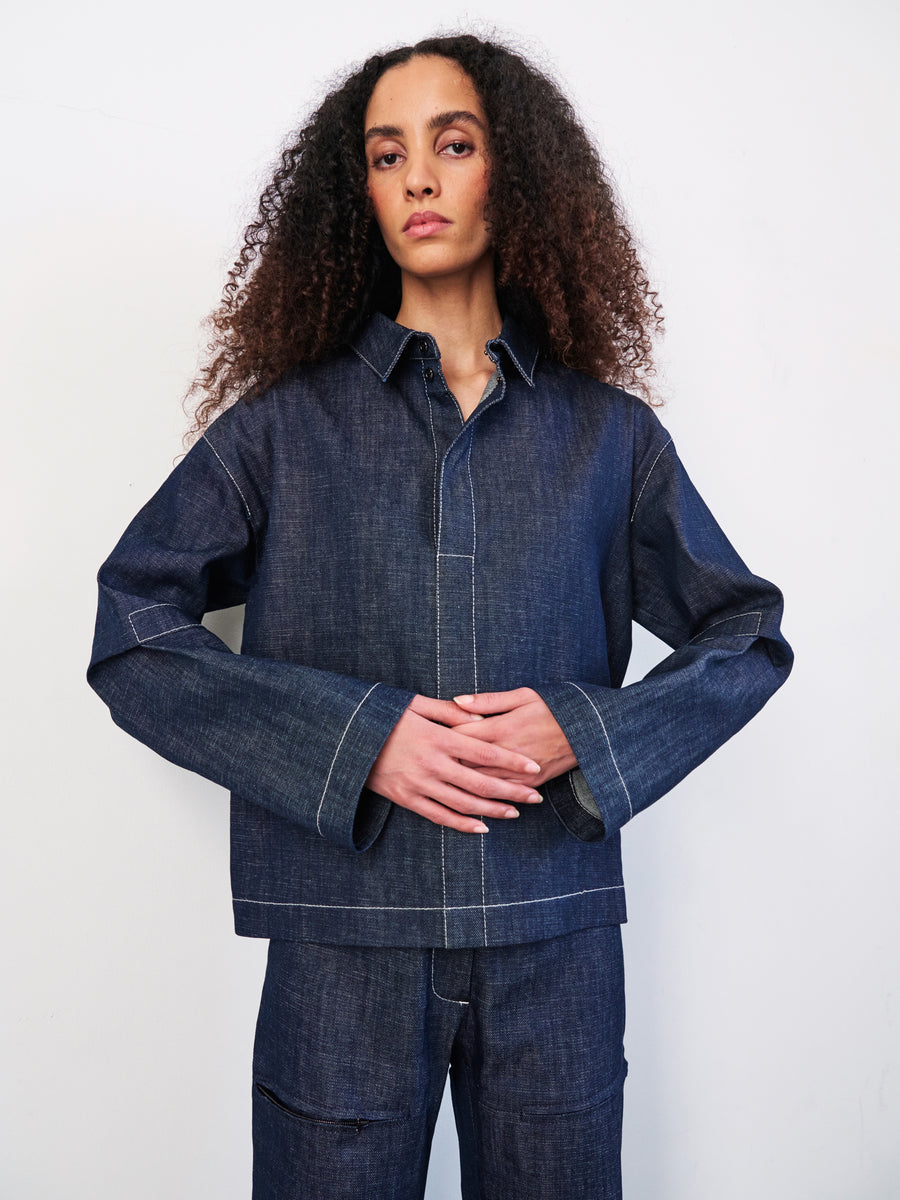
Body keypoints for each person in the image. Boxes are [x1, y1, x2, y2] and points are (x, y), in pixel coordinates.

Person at [88, 33, 793, 1200]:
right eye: (385, 154)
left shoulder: (608, 439)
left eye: (452, 144)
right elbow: (133, 629)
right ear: (354, 193)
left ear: (511, 173)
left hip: (552, 938)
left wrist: (586, 730)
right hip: (342, 948)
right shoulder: (279, 432)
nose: (418, 177)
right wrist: (360, 740)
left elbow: (745, 633)